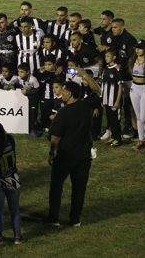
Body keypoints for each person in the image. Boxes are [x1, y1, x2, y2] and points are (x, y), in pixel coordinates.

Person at [47, 81, 93, 227]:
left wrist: (51, 152)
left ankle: (54, 218)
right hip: (84, 155)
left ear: (70, 94)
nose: (61, 94)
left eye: (64, 91)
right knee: (79, 189)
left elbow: (55, 137)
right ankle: (75, 219)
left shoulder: (64, 112)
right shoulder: (87, 108)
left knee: (56, 186)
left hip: (65, 156)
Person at [0, 121, 22, 246]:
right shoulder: (10, 140)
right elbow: (3, 134)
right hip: (13, 178)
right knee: (15, 209)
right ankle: (17, 237)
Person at [129, 40, 145, 151]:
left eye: (140, 48)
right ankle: (141, 140)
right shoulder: (133, 59)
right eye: (136, 48)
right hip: (134, 89)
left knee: (143, 118)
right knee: (138, 117)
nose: (137, 50)